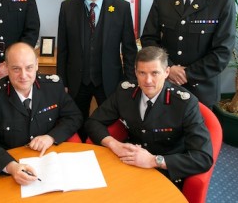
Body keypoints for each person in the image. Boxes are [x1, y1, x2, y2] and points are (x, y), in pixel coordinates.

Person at [85, 46, 213, 189]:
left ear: (166, 72)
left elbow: (203, 158)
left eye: (155, 73)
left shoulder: (185, 104)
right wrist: (114, 144)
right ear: (135, 72)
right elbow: (93, 122)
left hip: (165, 172)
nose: (148, 80)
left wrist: (154, 161)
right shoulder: (125, 92)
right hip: (129, 163)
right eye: (142, 73)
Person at [140, 0, 235, 109]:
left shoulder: (221, 2)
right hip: (165, 86)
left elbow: (222, 52)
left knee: (200, 135)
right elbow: (149, 39)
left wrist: (186, 74)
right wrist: (169, 67)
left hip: (202, 91)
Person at [0, 42, 82, 185]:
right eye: (16, 69)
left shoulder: (53, 88)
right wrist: (12, 167)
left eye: (29, 67)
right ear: (6, 67)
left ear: (37, 65)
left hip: (48, 163)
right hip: (11, 166)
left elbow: (74, 116)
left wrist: (51, 137)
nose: (24, 76)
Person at [57, 0, 137, 141]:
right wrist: (63, 82)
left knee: (111, 125)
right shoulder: (67, 7)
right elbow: (63, 49)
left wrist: (129, 81)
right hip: (77, 81)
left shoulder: (121, 8)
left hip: (109, 81)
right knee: (76, 122)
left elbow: (129, 49)